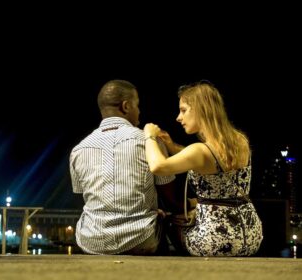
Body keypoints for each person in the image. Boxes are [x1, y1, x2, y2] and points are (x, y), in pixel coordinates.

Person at [144, 80, 263, 257]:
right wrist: (171, 145)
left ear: (201, 109)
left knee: (167, 221)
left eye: (183, 110)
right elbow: (209, 160)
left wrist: (149, 136)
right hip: (251, 236)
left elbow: (158, 166)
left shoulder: (199, 151)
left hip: (216, 242)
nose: (178, 117)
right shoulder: (240, 141)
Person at [69, 79, 176, 255]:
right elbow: (170, 197)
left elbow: (88, 197)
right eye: (137, 105)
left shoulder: (79, 149)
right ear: (126, 106)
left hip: (92, 242)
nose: (139, 111)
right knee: (165, 219)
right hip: (141, 239)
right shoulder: (147, 141)